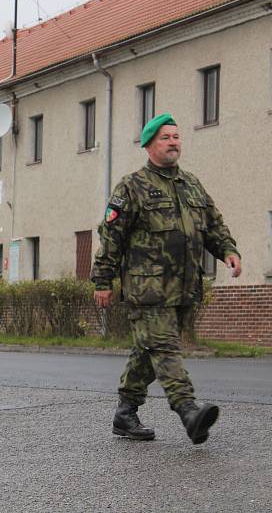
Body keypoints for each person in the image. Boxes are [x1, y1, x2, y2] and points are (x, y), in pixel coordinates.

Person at [92, 113, 241, 445]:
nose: (174, 142)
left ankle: (125, 413)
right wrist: (102, 281)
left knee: (149, 349)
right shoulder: (132, 186)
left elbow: (213, 226)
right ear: (148, 145)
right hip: (147, 289)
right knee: (165, 347)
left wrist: (228, 251)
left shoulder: (191, 184)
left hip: (183, 289)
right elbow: (111, 238)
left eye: (177, 136)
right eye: (165, 137)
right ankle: (188, 411)